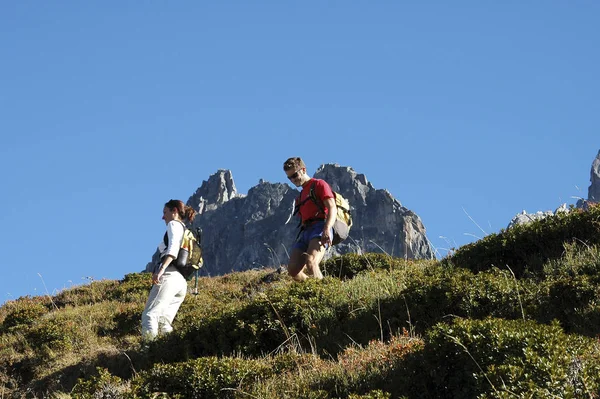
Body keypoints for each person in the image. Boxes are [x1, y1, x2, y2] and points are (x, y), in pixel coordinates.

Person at [141, 199, 196, 340]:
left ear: (174, 211)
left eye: (165, 212)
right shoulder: (185, 230)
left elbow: (172, 250)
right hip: (181, 283)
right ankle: (170, 352)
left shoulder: (174, 224)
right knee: (164, 322)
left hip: (170, 275)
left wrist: (160, 270)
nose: (163, 217)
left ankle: (148, 353)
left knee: (150, 315)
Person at [283, 157, 337, 281]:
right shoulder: (300, 197)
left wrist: (327, 229)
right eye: (289, 177)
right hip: (306, 232)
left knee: (311, 261)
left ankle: (324, 294)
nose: (293, 180)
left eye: (295, 175)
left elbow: (332, 207)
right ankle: (314, 288)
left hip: (320, 227)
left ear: (303, 170)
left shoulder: (318, 184)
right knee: (293, 270)